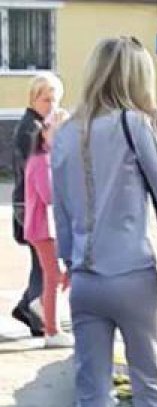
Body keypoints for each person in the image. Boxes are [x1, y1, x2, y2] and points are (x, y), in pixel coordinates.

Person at [51, 36, 157, 407]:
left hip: (85, 279)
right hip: (132, 275)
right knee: (148, 387)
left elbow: (61, 215)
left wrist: (71, 263)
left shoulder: (66, 132)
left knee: (92, 394)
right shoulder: (134, 125)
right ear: (136, 78)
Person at [11, 72, 64, 337]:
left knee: (42, 263)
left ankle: (29, 307)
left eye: (55, 100)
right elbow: (37, 173)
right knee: (45, 264)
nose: (51, 106)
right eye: (46, 100)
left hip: (30, 204)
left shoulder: (38, 124)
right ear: (34, 98)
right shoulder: (32, 129)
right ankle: (37, 314)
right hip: (30, 205)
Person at [24, 108, 73, 348]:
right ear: (45, 132)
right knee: (54, 276)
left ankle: (42, 304)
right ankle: (52, 331)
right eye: (58, 132)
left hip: (48, 227)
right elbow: (49, 195)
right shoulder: (42, 160)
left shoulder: (49, 157)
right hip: (43, 228)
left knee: (63, 274)